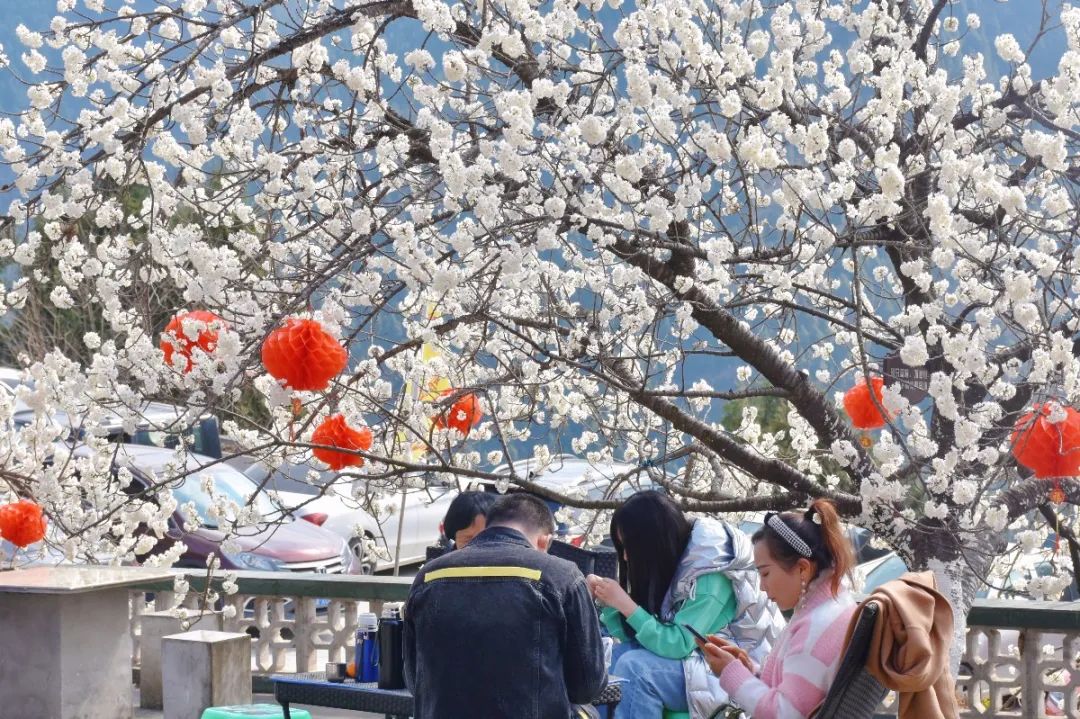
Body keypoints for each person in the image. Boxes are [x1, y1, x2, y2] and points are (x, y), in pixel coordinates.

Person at [404, 492, 607, 719]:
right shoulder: (562, 575)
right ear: (545, 540)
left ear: (489, 527)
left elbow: (414, 680)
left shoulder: (428, 577)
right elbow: (588, 686)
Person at [587, 491, 785, 719]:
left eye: (628, 547)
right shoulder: (677, 558)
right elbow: (638, 637)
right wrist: (609, 601)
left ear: (652, 543)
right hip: (698, 660)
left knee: (636, 669)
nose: (625, 558)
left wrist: (626, 604)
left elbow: (679, 643)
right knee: (618, 655)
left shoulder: (711, 574)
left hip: (733, 671)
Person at [696, 499, 857, 719]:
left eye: (765, 573)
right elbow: (796, 692)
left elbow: (785, 713)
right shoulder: (832, 606)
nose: (762, 586)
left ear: (802, 568)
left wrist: (730, 673)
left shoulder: (815, 626)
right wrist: (748, 671)